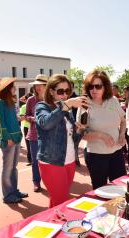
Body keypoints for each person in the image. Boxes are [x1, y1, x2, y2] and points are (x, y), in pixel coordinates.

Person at [35, 74, 88, 207]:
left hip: (69, 160)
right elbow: (46, 123)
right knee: (61, 201)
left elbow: (74, 140)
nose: (65, 95)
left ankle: (52, 224)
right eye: (60, 91)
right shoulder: (42, 106)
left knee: (58, 201)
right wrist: (67, 105)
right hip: (52, 162)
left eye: (67, 91)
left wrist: (80, 130)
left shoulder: (66, 110)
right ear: (51, 91)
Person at [77, 70, 126, 189]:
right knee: (100, 191)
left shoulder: (113, 101)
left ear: (105, 87)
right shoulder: (84, 105)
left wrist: (122, 135)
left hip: (117, 154)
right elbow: (81, 133)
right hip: (96, 156)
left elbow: (123, 121)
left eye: (98, 86)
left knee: (120, 188)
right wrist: (101, 135)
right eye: (91, 86)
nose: (94, 90)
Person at [0, 77, 27, 203]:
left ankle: (14, 191)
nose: (15, 88)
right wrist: (7, 137)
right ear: (8, 89)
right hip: (8, 140)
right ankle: (8, 195)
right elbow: (1, 122)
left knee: (14, 167)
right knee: (7, 168)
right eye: (13, 87)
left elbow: (11, 118)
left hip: (17, 137)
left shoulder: (11, 102)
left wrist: (19, 118)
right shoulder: (0, 102)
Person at [26, 74, 48, 192]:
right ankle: (36, 182)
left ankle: (49, 181)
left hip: (48, 136)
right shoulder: (31, 100)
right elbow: (26, 115)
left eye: (41, 85)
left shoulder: (51, 99)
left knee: (48, 161)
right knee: (35, 161)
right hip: (34, 135)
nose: (38, 87)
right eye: (36, 85)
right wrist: (33, 119)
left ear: (46, 86)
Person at [19, 92, 33, 166]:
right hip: (30, 127)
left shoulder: (24, 106)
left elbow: (21, 117)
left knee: (29, 144)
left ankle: (31, 160)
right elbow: (21, 117)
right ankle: (32, 160)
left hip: (28, 127)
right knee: (32, 144)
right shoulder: (25, 106)